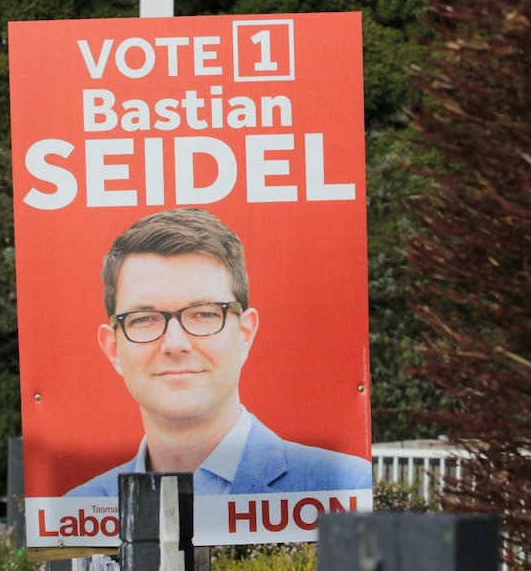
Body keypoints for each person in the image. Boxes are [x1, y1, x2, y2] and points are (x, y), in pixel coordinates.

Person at [65, 208, 371, 497]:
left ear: (245, 333)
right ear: (113, 348)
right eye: (144, 318)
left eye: (204, 314)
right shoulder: (76, 509)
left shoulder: (344, 487)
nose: (175, 344)